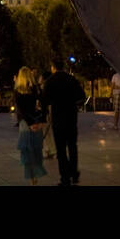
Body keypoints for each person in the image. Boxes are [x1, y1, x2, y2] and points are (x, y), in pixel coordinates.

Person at [42, 58, 86, 186]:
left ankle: (65, 177)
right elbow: (81, 97)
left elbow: (45, 100)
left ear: (53, 67)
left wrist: (44, 114)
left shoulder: (50, 81)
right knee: (72, 146)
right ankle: (74, 173)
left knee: (61, 149)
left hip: (58, 118)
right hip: (71, 117)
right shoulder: (71, 79)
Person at [15, 67, 47, 184]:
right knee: (36, 148)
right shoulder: (36, 89)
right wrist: (42, 120)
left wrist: (29, 123)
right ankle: (35, 175)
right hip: (36, 121)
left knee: (27, 150)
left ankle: (31, 175)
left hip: (25, 123)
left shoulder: (18, 91)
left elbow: (22, 111)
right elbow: (43, 104)